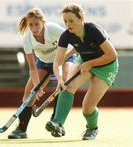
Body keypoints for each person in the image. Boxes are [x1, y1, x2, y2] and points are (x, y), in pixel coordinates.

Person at [45, 3, 119, 140]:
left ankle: (92, 128)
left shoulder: (93, 29)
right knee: (68, 86)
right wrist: (60, 79)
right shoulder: (66, 35)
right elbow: (57, 61)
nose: (68, 24)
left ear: (81, 18)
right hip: (84, 61)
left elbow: (112, 55)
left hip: (106, 66)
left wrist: (91, 63)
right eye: (65, 21)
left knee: (87, 107)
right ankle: (58, 123)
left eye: (71, 20)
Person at [8, 7, 77, 139]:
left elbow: (75, 42)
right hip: (44, 63)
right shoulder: (27, 40)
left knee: (64, 84)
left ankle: (57, 123)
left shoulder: (52, 29)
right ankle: (21, 129)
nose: (34, 28)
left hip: (65, 58)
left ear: (43, 22)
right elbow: (33, 68)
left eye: (37, 24)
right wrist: (36, 86)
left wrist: (62, 59)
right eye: (31, 25)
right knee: (29, 92)